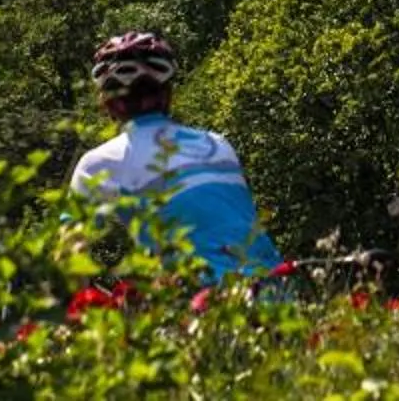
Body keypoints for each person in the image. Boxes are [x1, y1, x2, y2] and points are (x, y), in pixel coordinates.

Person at [68, 30, 280, 279]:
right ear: (168, 94)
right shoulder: (218, 143)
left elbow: (70, 256)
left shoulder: (99, 163)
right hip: (275, 292)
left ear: (107, 102)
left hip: (203, 304)